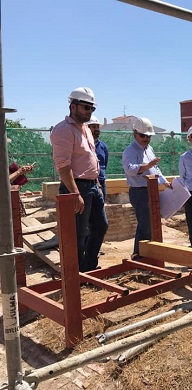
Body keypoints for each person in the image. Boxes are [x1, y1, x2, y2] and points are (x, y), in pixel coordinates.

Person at [50, 87, 108, 272]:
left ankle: (88, 267)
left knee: (100, 226)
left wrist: (97, 184)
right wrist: (75, 193)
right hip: (76, 187)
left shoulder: (86, 130)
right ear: (73, 106)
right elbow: (63, 166)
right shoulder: (63, 130)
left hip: (92, 185)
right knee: (78, 233)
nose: (90, 112)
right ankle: (78, 273)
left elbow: (91, 159)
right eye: (86, 108)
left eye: (92, 109)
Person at [122, 117, 172, 259]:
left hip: (152, 191)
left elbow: (156, 169)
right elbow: (130, 169)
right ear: (135, 134)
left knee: (151, 222)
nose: (146, 138)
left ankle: (148, 253)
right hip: (139, 192)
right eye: (142, 135)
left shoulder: (149, 149)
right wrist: (147, 166)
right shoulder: (130, 151)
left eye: (148, 136)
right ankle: (139, 255)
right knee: (145, 223)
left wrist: (165, 182)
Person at [86, 116, 109, 200]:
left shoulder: (103, 147)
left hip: (101, 182)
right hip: (88, 183)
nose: (96, 129)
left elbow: (104, 164)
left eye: (97, 127)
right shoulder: (82, 146)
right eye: (93, 127)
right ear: (87, 128)